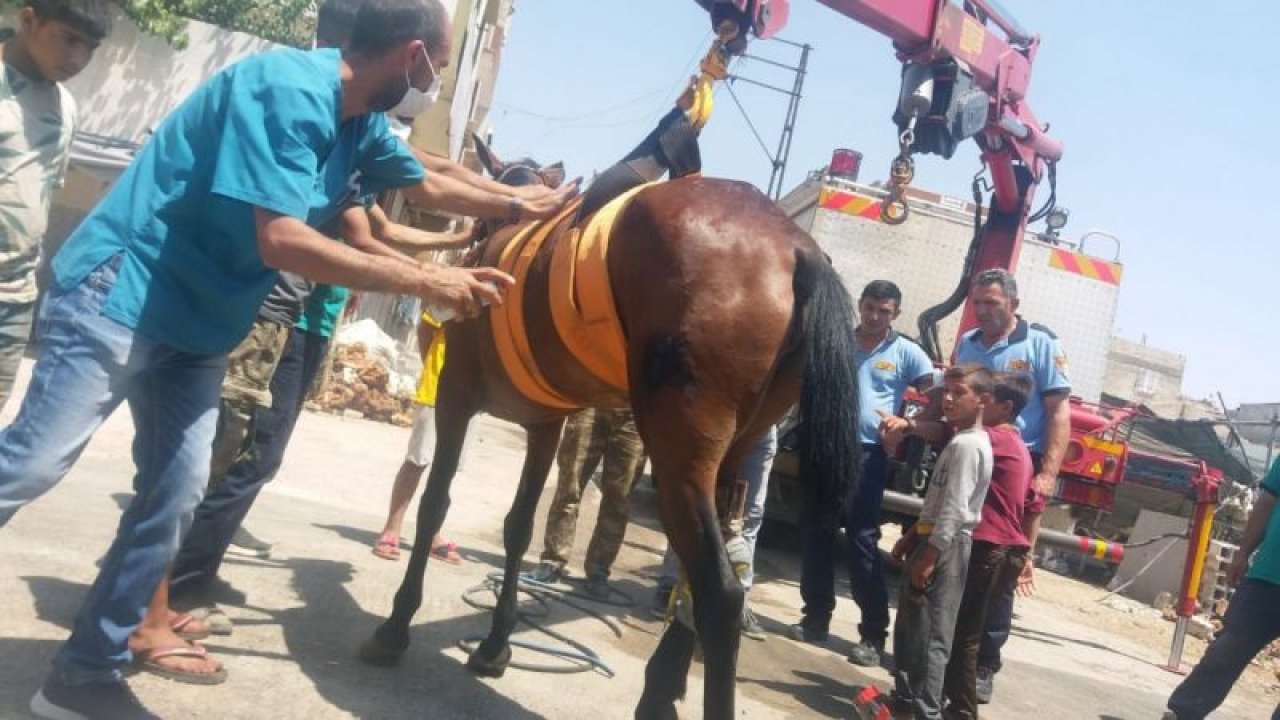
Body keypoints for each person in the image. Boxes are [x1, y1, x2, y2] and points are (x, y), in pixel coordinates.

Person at [0, 1, 578, 716]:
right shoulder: (288, 90)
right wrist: (430, 279)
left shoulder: (358, 121)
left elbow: (426, 181)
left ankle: (83, 674)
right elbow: (282, 240)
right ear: (412, 56)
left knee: (175, 496)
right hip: (127, 290)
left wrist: (518, 207)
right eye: (440, 62)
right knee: (30, 462)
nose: (436, 78)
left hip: (202, 325)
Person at [881, 268, 1065, 703]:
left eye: (992, 304)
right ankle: (940, 664)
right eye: (977, 303)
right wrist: (912, 425)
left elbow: (1059, 411)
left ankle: (983, 664)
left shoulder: (1040, 344)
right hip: (975, 453)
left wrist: (1047, 473)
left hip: (1014, 464)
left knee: (1001, 564)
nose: (982, 310)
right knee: (964, 557)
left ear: (1013, 306)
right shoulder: (969, 343)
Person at [787, 280, 933, 667]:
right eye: (870, 307)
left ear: (895, 314)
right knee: (817, 534)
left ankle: (872, 635)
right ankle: (815, 618)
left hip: (867, 458)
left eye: (884, 311)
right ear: (860, 305)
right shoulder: (837, 341)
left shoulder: (907, 353)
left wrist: (908, 421)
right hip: (824, 449)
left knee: (862, 542)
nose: (874, 316)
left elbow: (937, 395)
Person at [0, 0, 111, 410]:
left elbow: (44, 191)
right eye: (68, 39)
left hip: (14, 298)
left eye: (90, 47)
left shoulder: (64, 107)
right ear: (29, 20)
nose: (78, 58)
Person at [889, 364, 993, 720]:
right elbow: (937, 501)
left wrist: (931, 554)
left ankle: (924, 711)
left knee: (932, 635)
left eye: (959, 392)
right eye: (946, 391)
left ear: (983, 401)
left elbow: (955, 508)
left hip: (945, 546)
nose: (947, 399)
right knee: (911, 626)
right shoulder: (958, 440)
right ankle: (904, 701)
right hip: (929, 538)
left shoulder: (968, 446)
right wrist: (910, 538)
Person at [942, 373, 1042, 720]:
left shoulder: (990, 440)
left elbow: (957, 437)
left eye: (986, 399)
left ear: (1006, 407)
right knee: (965, 630)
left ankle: (962, 711)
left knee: (963, 634)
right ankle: (946, 701)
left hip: (989, 546)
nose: (979, 404)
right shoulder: (1021, 448)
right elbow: (1034, 504)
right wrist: (1027, 552)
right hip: (1007, 548)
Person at [1163, 464, 1280, 720]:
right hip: (1270, 573)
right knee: (1228, 648)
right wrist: (1242, 553)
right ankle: (1184, 713)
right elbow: (1268, 502)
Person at [650, 426, 777, 640]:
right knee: (691, 503)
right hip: (721, 420)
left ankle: (740, 599)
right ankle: (670, 583)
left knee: (750, 515)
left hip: (762, 429)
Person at [372, 309, 463, 563]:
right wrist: (432, 369)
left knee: (448, 469)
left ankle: (432, 534)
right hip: (437, 389)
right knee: (417, 461)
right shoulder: (459, 289)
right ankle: (392, 529)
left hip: (471, 398)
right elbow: (425, 329)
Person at [529, 408, 647, 599]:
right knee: (569, 486)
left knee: (618, 500)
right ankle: (552, 560)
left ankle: (598, 571)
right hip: (591, 401)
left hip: (635, 413)